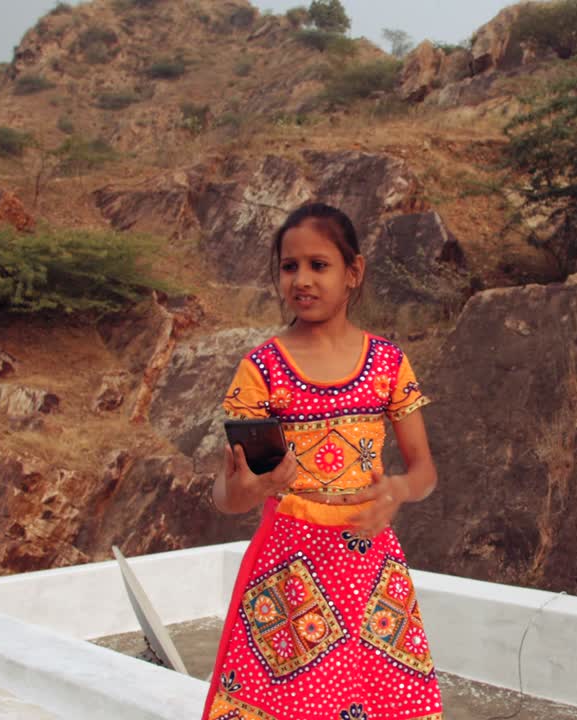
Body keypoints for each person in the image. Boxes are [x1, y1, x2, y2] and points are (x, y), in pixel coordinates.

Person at [202, 202, 444, 720]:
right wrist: (257, 486)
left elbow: (424, 471)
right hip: (288, 569)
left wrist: (397, 491)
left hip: (369, 567)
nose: (302, 280)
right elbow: (226, 497)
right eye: (290, 267)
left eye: (319, 265)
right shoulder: (261, 369)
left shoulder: (388, 363)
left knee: (384, 705)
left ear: (353, 273)